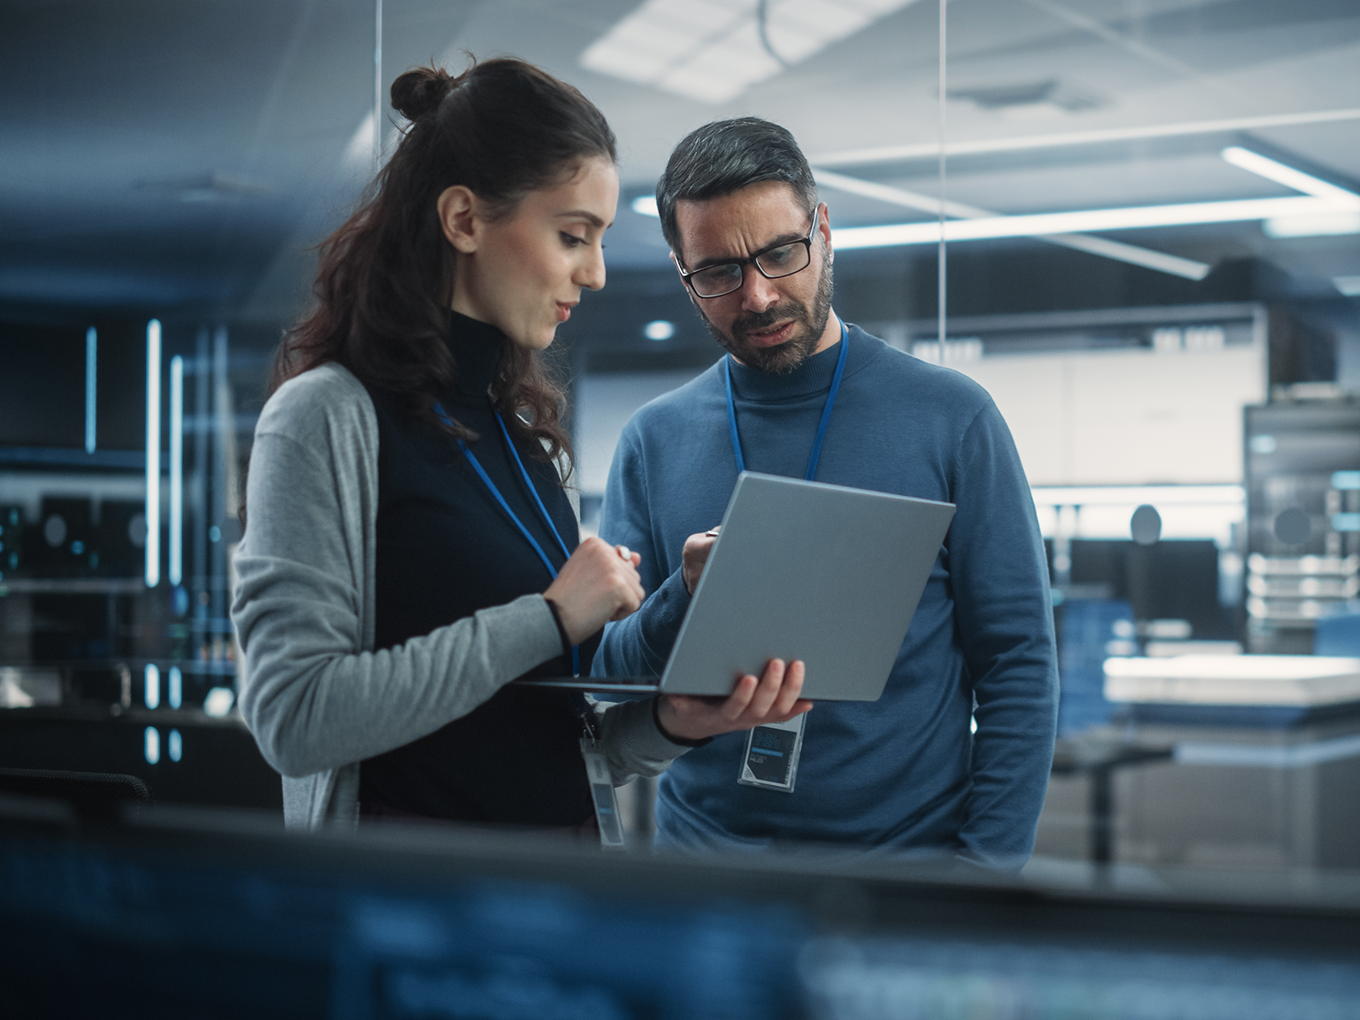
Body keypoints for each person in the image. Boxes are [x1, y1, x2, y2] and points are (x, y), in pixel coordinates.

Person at [230, 62, 809, 833]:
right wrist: (547, 618)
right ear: (464, 219)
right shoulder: (325, 419)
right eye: (573, 235)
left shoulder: (525, 439)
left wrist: (674, 722)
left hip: (553, 900)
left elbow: (550, 740)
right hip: (405, 919)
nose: (596, 273)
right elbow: (294, 720)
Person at [592, 117, 1058, 868]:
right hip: (706, 877)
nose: (758, 295)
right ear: (683, 273)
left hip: (906, 878)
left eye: (781, 253)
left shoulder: (951, 418)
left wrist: (985, 873)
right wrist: (685, 595)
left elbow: (1018, 664)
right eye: (718, 272)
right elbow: (611, 674)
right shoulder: (655, 440)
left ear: (824, 231)